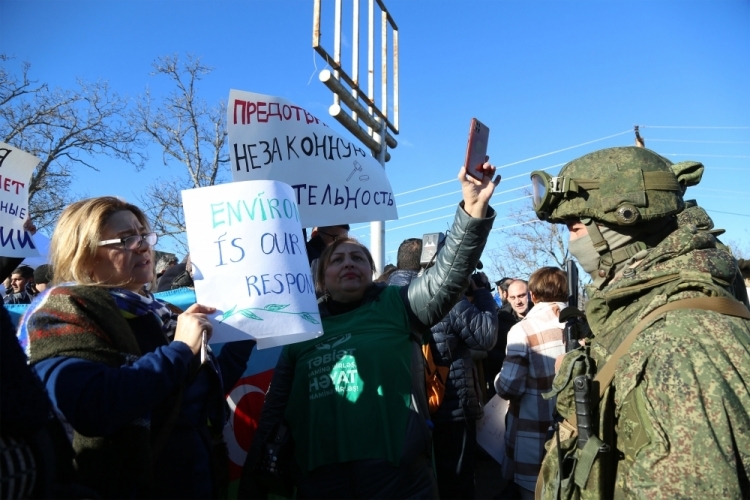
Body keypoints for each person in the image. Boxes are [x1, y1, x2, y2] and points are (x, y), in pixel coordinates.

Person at [239, 163, 500, 499]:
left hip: (397, 476)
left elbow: (448, 275)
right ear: (321, 277)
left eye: (358, 258)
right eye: (337, 259)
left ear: (371, 271)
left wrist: (473, 210)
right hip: (319, 478)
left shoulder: (399, 305)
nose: (348, 263)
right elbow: (275, 409)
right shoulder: (301, 328)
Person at [530, 146, 750, 498]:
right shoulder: (645, 312)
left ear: (623, 219)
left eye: (574, 227)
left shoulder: (683, 342)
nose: (571, 243)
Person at [21, 196, 255, 499]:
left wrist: (250, 328)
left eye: (144, 235)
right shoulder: (63, 310)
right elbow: (89, 406)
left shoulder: (164, 313)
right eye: (126, 239)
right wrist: (180, 348)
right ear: (86, 255)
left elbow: (196, 395)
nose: (143, 245)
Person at [495, 267, 567, 498]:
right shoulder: (585, 323)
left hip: (535, 433)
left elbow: (508, 386)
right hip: (577, 430)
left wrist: (498, 378)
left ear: (532, 296)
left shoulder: (522, 330)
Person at [430, 269, 497, 500]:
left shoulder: (391, 296)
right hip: (453, 407)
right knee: (458, 484)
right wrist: (481, 292)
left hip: (413, 409)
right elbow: (486, 336)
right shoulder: (447, 298)